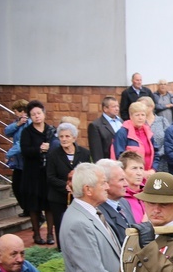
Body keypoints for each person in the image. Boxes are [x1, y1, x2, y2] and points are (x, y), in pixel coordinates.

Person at [46, 121, 91, 250]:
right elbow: (50, 177)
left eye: (67, 136)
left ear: (74, 138)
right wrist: (65, 185)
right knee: (61, 224)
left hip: (78, 196)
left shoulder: (84, 153)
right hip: (58, 197)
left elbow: (87, 173)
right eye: (61, 136)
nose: (64, 139)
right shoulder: (53, 154)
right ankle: (62, 250)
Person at [20, 100, 57, 246]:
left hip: (47, 172)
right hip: (32, 174)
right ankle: (36, 234)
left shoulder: (51, 130)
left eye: (39, 113)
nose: (37, 116)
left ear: (43, 113)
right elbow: (25, 151)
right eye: (33, 114)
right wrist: (39, 149)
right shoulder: (27, 132)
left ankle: (49, 234)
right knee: (34, 206)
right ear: (30, 116)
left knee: (49, 205)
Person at [96, 159, 136, 245]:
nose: (126, 184)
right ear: (105, 183)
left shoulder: (124, 203)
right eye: (121, 180)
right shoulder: (98, 212)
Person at [113, 102, 158, 175]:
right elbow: (120, 157)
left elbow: (156, 153)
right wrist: (140, 172)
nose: (140, 118)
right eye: (137, 115)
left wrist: (153, 169)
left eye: (143, 115)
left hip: (149, 175)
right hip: (130, 176)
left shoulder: (148, 132)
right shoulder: (122, 133)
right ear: (131, 116)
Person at [5, 99, 29, 216]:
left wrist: (8, 154)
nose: (15, 113)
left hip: (26, 161)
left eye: (16, 111)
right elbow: (7, 131)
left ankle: (30, 210)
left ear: (22, 111)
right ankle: (26, 208)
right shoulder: (19, 123)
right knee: (16, 186)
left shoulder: (28, 124)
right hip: (19, 163)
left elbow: (21, 143)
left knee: (24, 187)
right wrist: (17, 124)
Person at [138, 96, 170, 173]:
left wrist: (158, 154)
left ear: (151, 107)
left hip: (162, 160)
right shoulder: (139, 122)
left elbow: (168, 140)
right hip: (145, 161)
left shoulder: (162, 121)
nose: (140, 108)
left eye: (143, 106)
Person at [88, 97, 123, 162]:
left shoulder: (121, 122)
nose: (117, 109)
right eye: (114, 107)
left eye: (118, 106)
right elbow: (96, 151)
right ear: (105, 109)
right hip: (108, 162)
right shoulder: (96, 125)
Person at [119, 151, 147, 224]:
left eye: (141, 168)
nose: (139, 173)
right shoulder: (119, 197)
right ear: (122, 171)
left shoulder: (149, 192)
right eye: (134, 168)